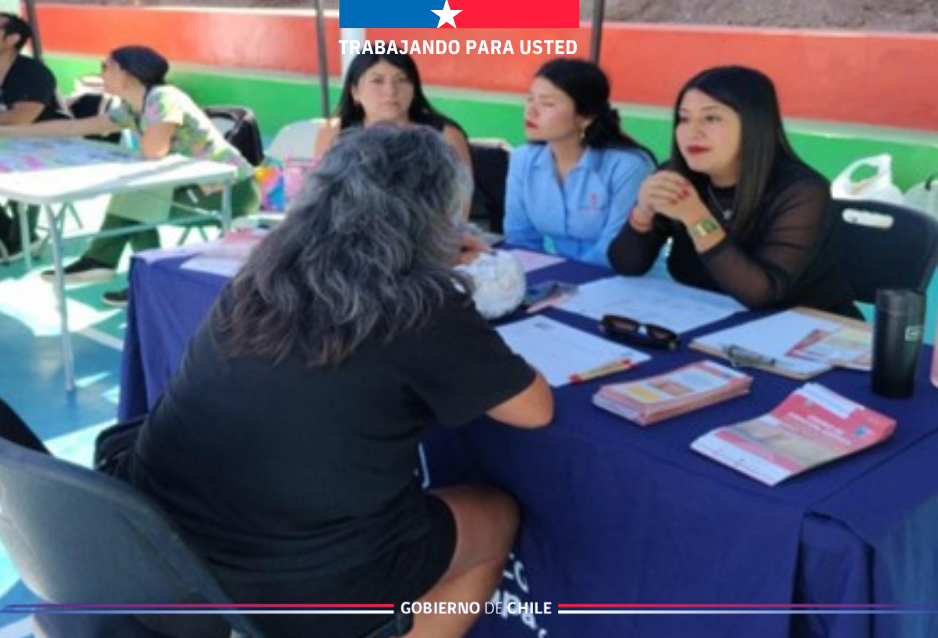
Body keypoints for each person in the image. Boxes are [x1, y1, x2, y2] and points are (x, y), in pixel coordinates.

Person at [107, 125, 553, 638]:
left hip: (162, 535)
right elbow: (533, 409)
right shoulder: (422, 303)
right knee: (495, 516)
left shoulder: (266, 267)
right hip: (294, 578)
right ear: (437, 212)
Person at [0, 45, 259, 306]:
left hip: (227, 190)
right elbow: (74, 126)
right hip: (187, 185)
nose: (100, 73)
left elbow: (154, 151)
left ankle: (112, 265)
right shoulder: (132, 105)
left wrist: (141, 123)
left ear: (128, 75)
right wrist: (9, 131)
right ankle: (132, 275)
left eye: (106, 67)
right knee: (137, 200)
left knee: (137, 203)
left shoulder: (163, 98)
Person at [608, 65, 859, 317]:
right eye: (684, 118)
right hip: (709, 319)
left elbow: (762, 293)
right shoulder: (677, 176)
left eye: (711, 118)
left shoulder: (802, 191)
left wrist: (697, 219)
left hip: (807, 330)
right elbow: (627, 265)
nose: (692, 131)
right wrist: (642, 212)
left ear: (753, 125)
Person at [504, 58, 655, 267]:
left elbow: (613, 249)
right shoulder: (523, 159)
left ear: (585, 117)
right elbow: (520, 238)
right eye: (530, 99)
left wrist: (560, 278)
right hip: (565, 278)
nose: (531, 111)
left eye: (547, 104)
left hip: (627, 281)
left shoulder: (628, 166)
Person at [313, 50, 472, 171]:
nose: (390, 91)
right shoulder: (334, 134)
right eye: (377, 81)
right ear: (355, 92)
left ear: (414, 89)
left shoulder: (445, 136)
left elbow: (459, 204)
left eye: (402, 80)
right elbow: (319, 196)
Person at [0, 12, 68, 261]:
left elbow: (21, 118)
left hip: (44, 149)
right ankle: (11, 233)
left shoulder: (33, 73)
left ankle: (19, 237)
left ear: (12, 39)